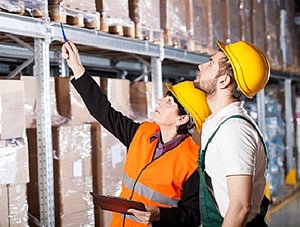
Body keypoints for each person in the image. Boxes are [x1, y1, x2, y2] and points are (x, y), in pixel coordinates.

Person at [61, 41, 211, 227]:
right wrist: (76, 67)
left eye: (169, 102)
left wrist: (159, 216)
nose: (160, 102)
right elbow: (103, 111)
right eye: (165, 97)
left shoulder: (193, 162)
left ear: (182, 119)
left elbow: (193, 216)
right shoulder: (142, 133)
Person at [193, 40, 270, 227]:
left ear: (224, 80)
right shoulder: (220, 121)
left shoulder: (234, 130)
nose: (200, 65)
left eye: (210, 63)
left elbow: (240, 207)